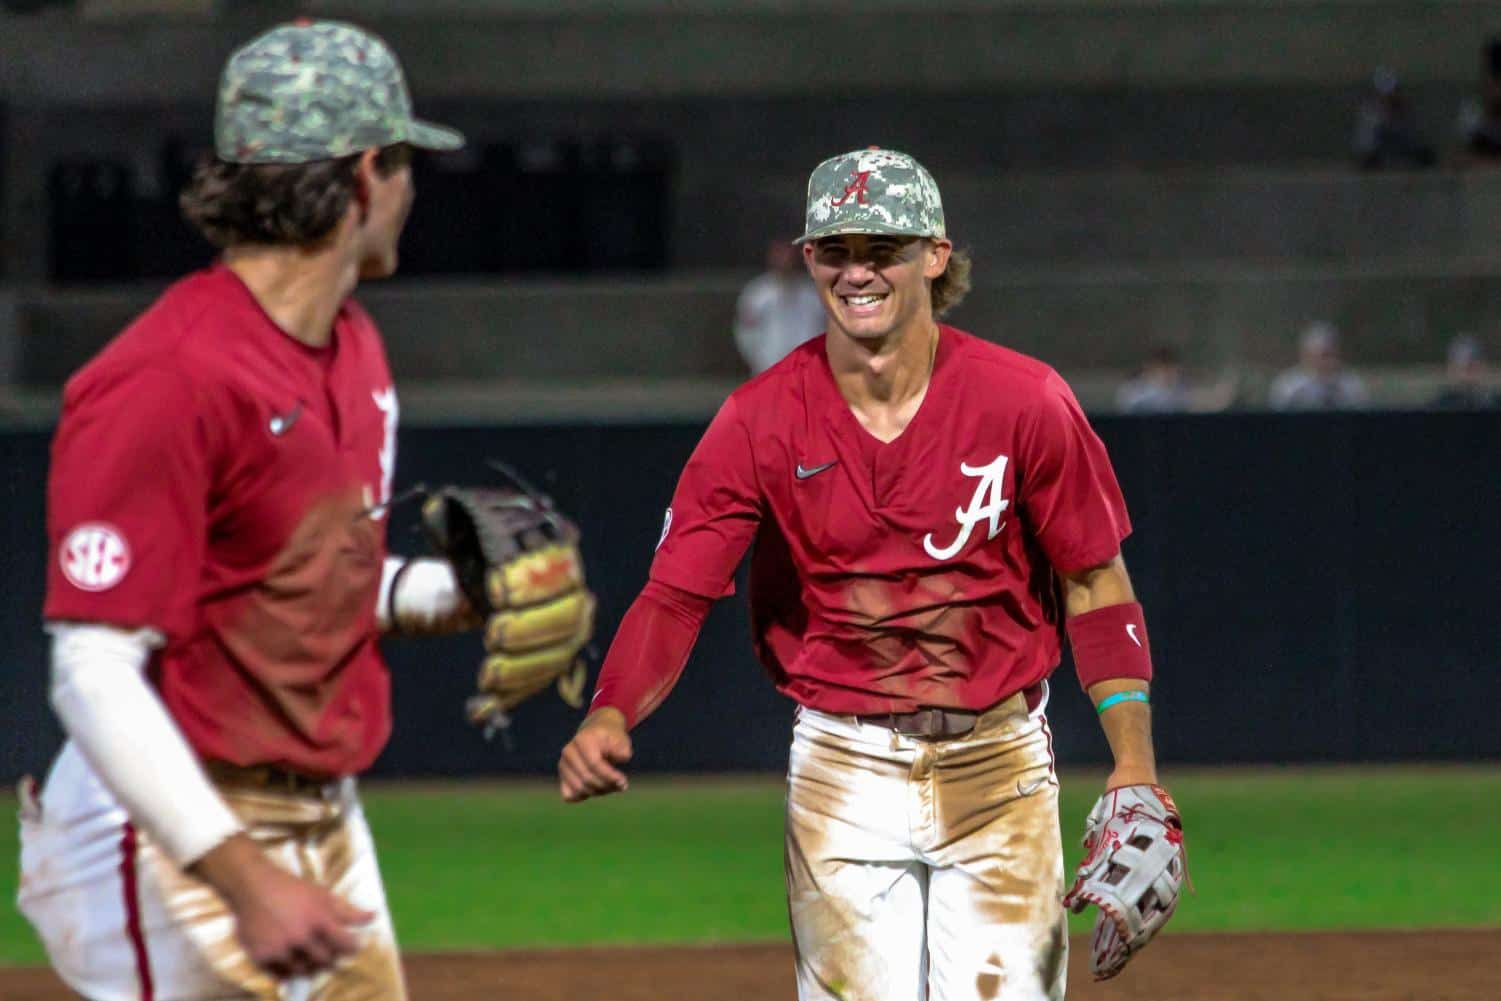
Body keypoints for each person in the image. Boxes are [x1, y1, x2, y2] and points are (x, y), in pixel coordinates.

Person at [559, 148, 1185, 999]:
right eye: (834, 249)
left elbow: (1095, 583)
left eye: (880, 248)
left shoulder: (1023, 401)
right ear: (808, 257)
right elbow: (675, 593)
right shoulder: (758, 419)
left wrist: (1134, 766)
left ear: (934, 254)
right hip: (841, 771)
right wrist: (609, 711)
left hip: (1000, 766)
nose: (857, 271)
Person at [20, 20, 476, 1000]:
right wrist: (242, 875)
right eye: (403, 163)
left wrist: (462, 590)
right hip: (158, 818)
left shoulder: (354, 349)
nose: (409, 188)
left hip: (317, 810)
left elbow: (312, 582)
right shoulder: (166, 375)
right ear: (364, 177)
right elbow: (92, 670)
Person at [733, 238, 827, 375]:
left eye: (788, 257)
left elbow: (824, 330)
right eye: (780, 256)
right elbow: (745, 332)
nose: (785, 261)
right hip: (768, 368)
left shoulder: (813, 295)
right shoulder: (757, 294)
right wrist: (758, 360)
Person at [1268, 321, 1369, 410]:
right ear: (1306, 355)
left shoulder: (1350, 384)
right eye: (1324, 355)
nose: (1330, 361)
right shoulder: (1288, 385)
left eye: (1333, 354)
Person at [1352, 67, 1436, 170]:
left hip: (1403, 152)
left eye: (1394, 91)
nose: (1390, 95)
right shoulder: (1369, 112)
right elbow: (1366, 146)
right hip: (1378, 156)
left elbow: (1414, 139)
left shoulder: (1404, 108)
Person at [1116, 344, 1192, 413]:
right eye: (1161, 368)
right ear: (1149, 368)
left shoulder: (1184, 391)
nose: (1166, 374)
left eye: (1170, 368)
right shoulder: (1132, 391)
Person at [1431, 333, 1498, 408]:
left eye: (1472, 367)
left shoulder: (1493, 402)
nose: (1468, 374)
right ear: (1451, 369)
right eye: (1463, 367)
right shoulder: (1440, 405)